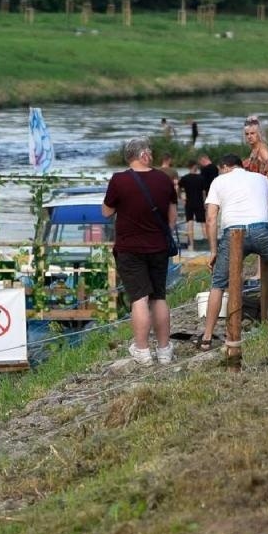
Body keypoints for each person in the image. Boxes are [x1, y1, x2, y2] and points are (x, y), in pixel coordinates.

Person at [197, 155, 268, 349]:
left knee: (218, 284)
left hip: (233, 234)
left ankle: (207, 337)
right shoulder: (261, 178)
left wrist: (213, 250)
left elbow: (211, 218)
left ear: (225, 167)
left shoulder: (219, 181)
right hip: (261, 229)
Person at [102, 139, 178, 366]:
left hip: (129, 248)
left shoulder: (119, 180)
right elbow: (172, 218)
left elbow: (106, 212)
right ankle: (164, 350)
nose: (152, 155)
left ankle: (143, 351)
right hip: (158, 246)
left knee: (139, 298)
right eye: (151, 152)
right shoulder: (163, 179)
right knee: (159, 297)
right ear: (144, 155)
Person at [180, 154, 212, 252]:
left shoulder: (185, 178)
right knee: (203, 224)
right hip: (199, 203)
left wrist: (183, 198)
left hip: (189, 203)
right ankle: (208, 245)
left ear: (188, 167)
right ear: (195, 167)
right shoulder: (201, 178)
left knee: (189, 223)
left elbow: (180, 189)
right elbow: (203, 192)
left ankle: (191, 246)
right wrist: (204, 203)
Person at [241, 117, 268, 182]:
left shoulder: (262, 149)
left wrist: (263, 183)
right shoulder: (255, 148)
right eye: (247, 134)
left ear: (258, 134)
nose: (249, 136)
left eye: (252, 133)